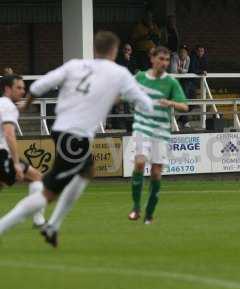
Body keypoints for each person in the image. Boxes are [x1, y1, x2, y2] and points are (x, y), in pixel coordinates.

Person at [0, 31, 153, 247]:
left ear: (95, 49)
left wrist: (26, 104)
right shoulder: (119, 73)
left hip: (61, 131)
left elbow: (37, 86)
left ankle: (53, 226)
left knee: (88, 170)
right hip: (75, 137)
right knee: (48, 192)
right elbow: (144, 104)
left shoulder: (75, 65)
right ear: (114, 51)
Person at [128, 46, 188, 224]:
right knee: (139, 163)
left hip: (161, 131)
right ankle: (136, 207)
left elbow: (184, 106)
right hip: (142, 127)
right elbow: (125, 92)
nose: (164, 63)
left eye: (167, 60)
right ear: (152, 59)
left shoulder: (171, 82)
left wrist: (170, 103)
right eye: (161, 59)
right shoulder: (139, 78)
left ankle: (149, 213)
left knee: (156, 173)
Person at [0, 75, 45, 227]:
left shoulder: (3, 104)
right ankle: (38, 220)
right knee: (37, 177)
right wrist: (16, 163)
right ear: (7, 89)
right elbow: (9, 134)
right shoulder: (8, 107)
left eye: (24, 88)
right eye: (18, 88)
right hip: (2, 154)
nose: (23, 92)